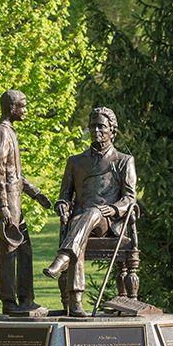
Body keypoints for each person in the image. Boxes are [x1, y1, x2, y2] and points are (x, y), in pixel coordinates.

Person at [42, 107, 137, 317]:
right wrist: (62, 204)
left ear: (112, 130)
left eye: (101, 126)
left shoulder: (123, 160)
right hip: (79, 221)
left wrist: (112, 208)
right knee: (81, 230)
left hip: (108, 223)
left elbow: (130, 198)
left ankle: (63, 257)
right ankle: (76, 304)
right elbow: (65, 195)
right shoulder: (75, 161)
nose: (96, 130)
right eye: (93, 126)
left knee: (93, 212)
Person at [0, 90, 53, 316]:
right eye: (23, 106)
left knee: (25, 251)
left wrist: (35, 194)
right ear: (11, 108)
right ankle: (9, 303)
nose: (26, 110)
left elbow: (14, 174)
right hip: (7, 202)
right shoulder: (2, 133)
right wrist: (5, 207)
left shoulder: (11, 132)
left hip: (16, 199)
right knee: (9, 253)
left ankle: (26, 300)